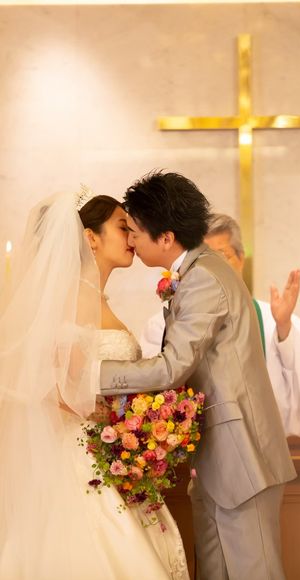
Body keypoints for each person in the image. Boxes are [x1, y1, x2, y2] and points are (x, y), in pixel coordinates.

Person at [99, 171, 296, 580]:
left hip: (241, 459)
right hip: (219, 460)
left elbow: (172, 368)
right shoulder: (197, 271)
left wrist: (92, 373)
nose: (131, 239)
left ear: (166, 237)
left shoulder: (204, 277)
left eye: (135, 230)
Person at [0, 189, 188, 579]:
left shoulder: (96, 298)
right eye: (122, 227)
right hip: (86, 452)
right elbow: (51, 386)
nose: (132, 236)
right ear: (91, 238)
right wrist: (116, 420)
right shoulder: (72, 299)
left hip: (111, 448)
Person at [141, 213, 300, 437]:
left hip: (262, 444)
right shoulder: (163, 325)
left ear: (241, 259)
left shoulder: (274, 320)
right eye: (201, 259)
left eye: (221, 256)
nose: (211, 269)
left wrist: (284, 329)